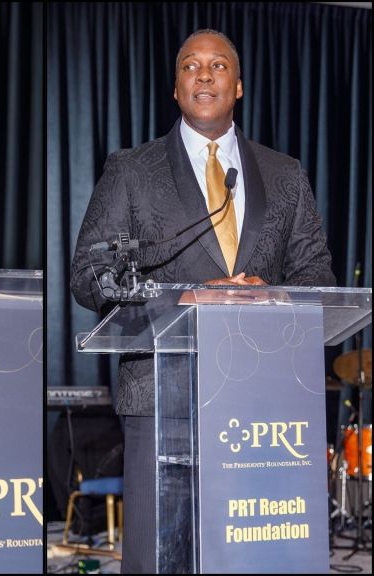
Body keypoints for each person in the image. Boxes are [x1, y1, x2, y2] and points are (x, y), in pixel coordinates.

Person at [70, 29, 334, 573]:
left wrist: (273, 295)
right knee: (161, 558)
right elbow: (89, 273)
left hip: (263, 407)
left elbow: (318, 278)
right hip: (163, 397)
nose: (206, 74)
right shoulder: (131, 169)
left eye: (219, 66)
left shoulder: (285, 174)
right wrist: (180, 299)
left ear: (238, 86)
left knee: (256, 557)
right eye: (191, 66)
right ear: (175, 88)